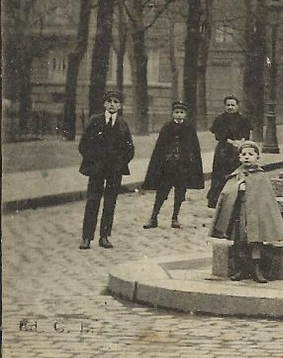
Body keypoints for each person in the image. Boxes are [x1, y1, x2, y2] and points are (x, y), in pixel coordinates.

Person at [209, 140, 283, 282]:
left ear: (257, 157)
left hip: (255, 216)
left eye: (251, 154)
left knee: (255, 241)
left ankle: (256, 270)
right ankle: (242, 269)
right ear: (239, 158)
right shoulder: (236, 175)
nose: (246, 157)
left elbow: (266, 198)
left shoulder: (261, 176)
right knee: (239, 241)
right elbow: (226, 194)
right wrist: (237, 189)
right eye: (243, 154)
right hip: (239, 214)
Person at [78, 89, 135, 250]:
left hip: (114, 170)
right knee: (93, 201)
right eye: (109, 101)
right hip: (97, 169)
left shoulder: (123, 124)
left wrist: (120, 163)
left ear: (120, 106)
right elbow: (83, 145)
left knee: (110, 202)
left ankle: (104, 236)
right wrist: (94, 161)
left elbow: (129, 148)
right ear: (104, 103)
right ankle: (87, 237)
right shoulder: (95, 121)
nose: (112, 104)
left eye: (116, 102)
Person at [142, 101, 204, 229]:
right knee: (162, 192)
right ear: (172, 113)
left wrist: (191, 162)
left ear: (185, 114)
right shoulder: (167, 127)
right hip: (168, 167)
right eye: (176, 112)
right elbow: (160, 147)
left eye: (181, 112)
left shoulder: (189, 128)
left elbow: (194, 147)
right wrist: (164, 158)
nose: (179, 115)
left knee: (180, 192)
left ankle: (175, 217)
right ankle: (154, 217)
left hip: (183, 167)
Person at [207, 94, 252, 208]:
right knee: (220, 175)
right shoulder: (220, 119)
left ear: (237, 106)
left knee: (237, 174)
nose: (230, 107)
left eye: (233, 105)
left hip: (238, 150)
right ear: (224, 106)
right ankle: (217, 200)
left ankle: (236, 199)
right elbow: (218, 135)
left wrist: (240, 142)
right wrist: (231, 142)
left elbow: (246, 134)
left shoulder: (243, 120)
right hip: (224, 150)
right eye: (228, 105)